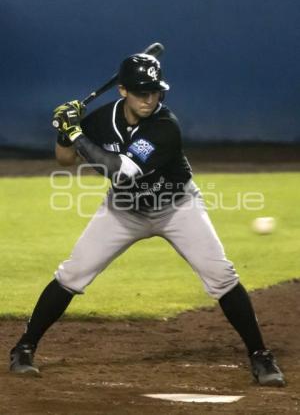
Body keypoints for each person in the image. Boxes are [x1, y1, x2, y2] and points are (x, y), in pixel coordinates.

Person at [10, 53, 285, 386]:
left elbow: (121, 170)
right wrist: (63, 131)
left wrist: (76, 132)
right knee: (73, 274)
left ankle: (260, 355)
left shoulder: (166, 126)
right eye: (141, 91)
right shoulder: (101, 119)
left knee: (221, 275)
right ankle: (24, 347)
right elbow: (65, 159)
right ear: (123, 91)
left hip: (177, 208)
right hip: (123, 210)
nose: (149, 98)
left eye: (154, 91)